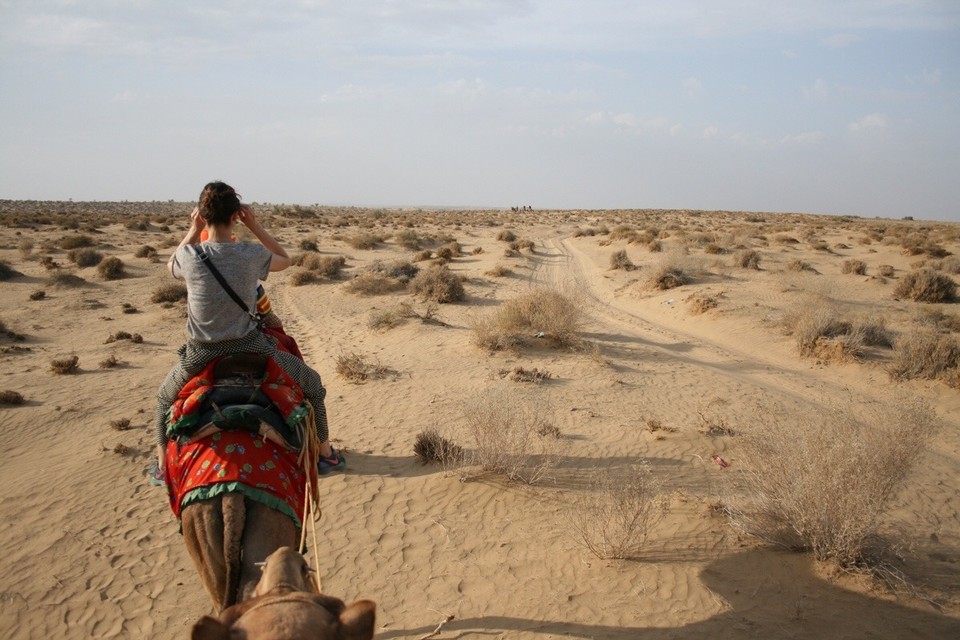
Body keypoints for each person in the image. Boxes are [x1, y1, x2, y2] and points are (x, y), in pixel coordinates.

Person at [154, 181, 344, 476]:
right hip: (249, 345)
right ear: (236, 215)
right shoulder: (249, 253)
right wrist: (254, 225)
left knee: (164, 399)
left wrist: (193, 229)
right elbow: (285, 260)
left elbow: (170, 264)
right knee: (313, 386)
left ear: (202, 215)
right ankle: (326, 454)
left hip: (200, 352)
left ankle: (161, 464)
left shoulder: (189, 257)